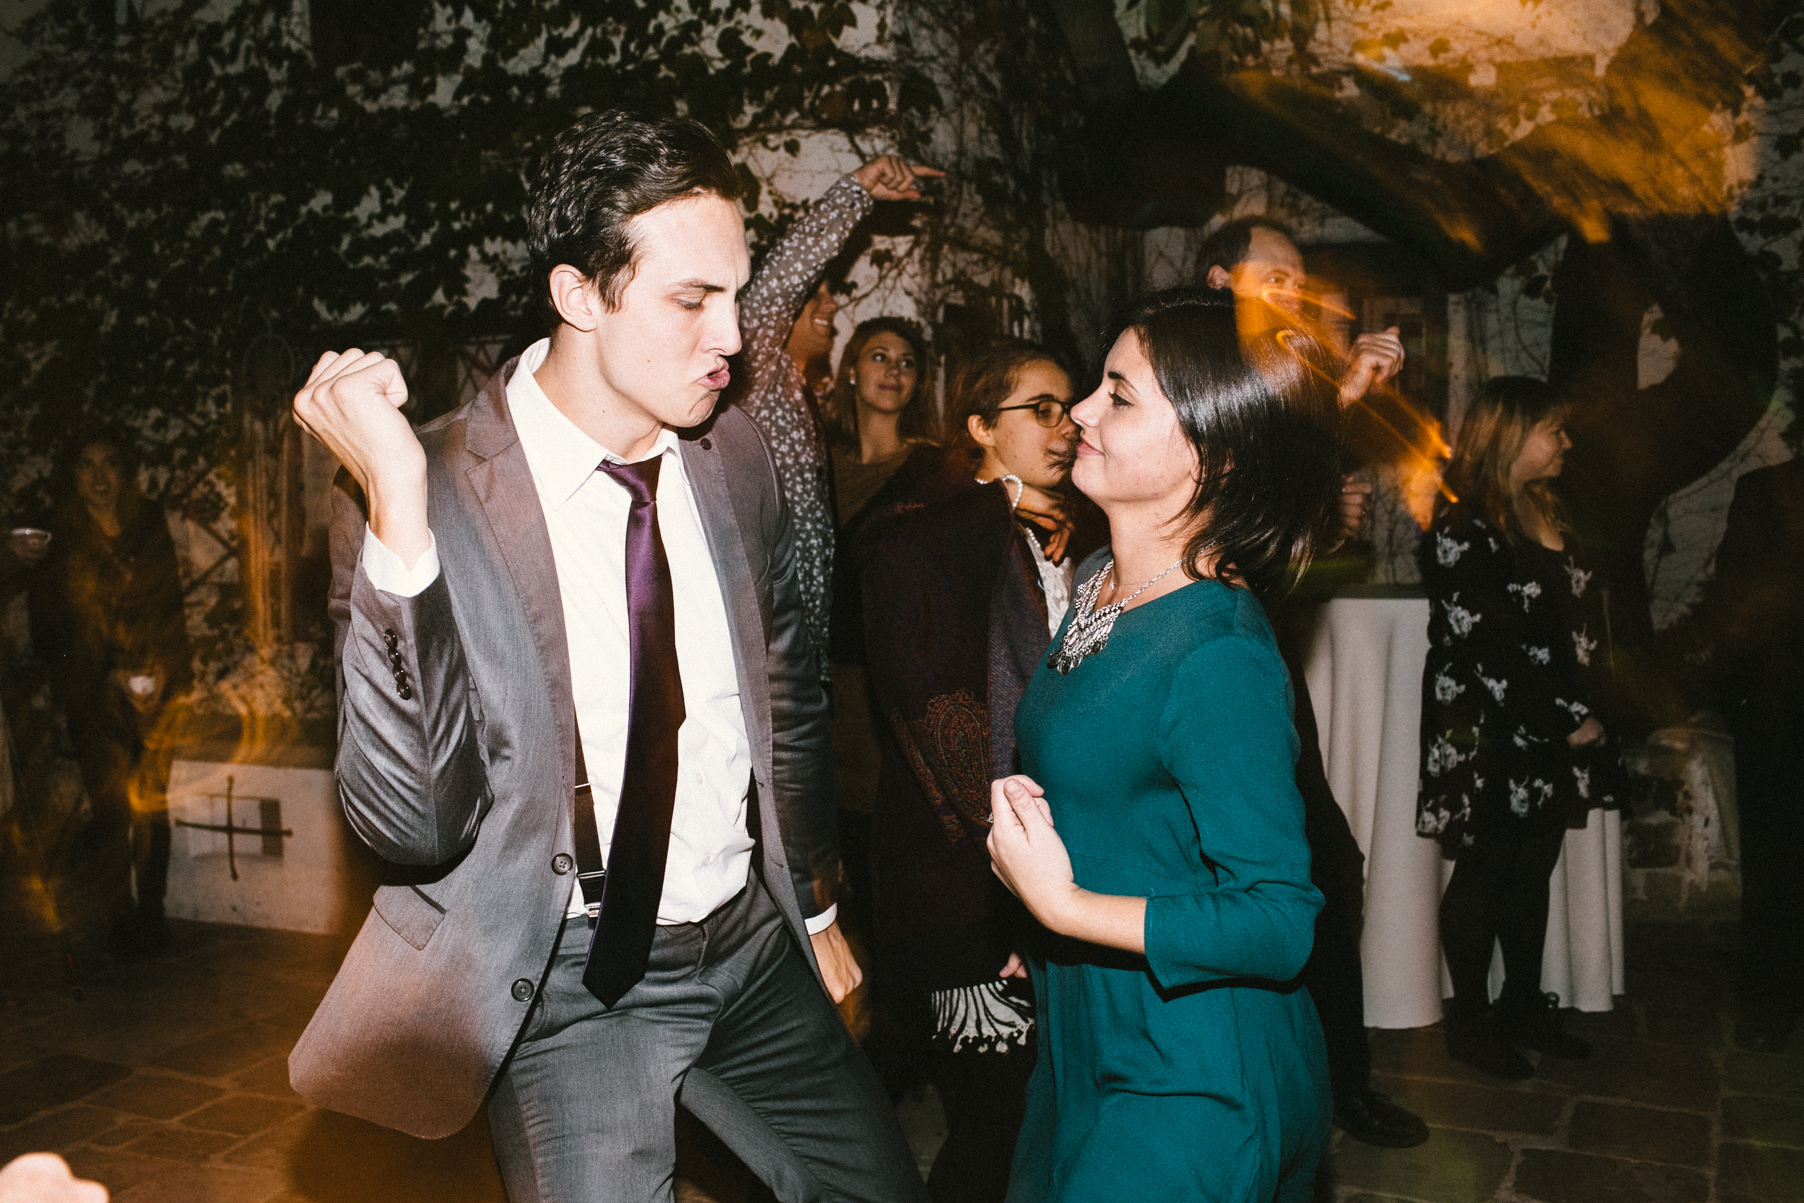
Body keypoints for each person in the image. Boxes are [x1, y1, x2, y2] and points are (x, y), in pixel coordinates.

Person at [286, 111, 926, 1203]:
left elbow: (787, 698)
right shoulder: (427, 493)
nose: (733, 337)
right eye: (692, 299)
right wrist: (396, 505)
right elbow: (412, 825)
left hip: (749, 941)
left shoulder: (734, 454)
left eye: (736, 294)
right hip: (575, 981)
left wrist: (815, 908)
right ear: (579, 295)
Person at [988, 289, 1339, 1202]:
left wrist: (1066, 905)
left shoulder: (1216, 651)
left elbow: (1280, 918)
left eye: (1119, 394)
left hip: (1189, 1075)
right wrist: (1040, 911)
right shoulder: (1103, 579)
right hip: (1087, 1030)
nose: (1081, 411)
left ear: (1213, 456)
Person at [1199, 214, 1428, 1147]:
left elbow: (1278, 543)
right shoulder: (1199, 375)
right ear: (1221, 282)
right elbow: (1239, 504)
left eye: (1300, 281)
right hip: (1203, 652)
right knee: (1283, 870)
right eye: (1278, 279)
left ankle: (1336, 1081)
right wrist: (1348, 395)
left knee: (1322, 866)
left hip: (1258, 646)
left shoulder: (1281, 382)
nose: (1294, 296)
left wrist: (1325, 516)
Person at [856, 340, 1085, 1201]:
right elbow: (884, 563)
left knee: (1033, 1113)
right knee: (995, 1119)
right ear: (982, 426)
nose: (1065, 426)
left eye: (1069, 409)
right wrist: (1004, 502)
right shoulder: (929, 528)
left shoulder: (1076, 532)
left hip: (1052, 871)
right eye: (1040, 409)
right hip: (955, 884)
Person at [1416, 375, 1627, 1080]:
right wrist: (1563, 719)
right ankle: (1469, 1023)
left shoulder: (1547, 505)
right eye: (1553, 430)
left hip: (1551, 721)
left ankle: (1522, 1006)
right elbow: (1487, 644)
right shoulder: (1460, 524)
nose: (1566, 442)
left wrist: (1590, 704)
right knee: (1486, 869)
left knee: (1532, 866)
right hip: (1489, 727)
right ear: (1510, 435)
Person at [732, 154, 943, 671]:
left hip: (817, 655)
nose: (830, 305)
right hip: (773, 650)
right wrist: (855, 191)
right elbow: (777, 285)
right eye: (815, 295)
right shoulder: (757, 379)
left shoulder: (802, 400)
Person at [30, 436, 190, 958]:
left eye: (110, 464)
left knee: (153, 804)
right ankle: (119, 916)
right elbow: (50, 625)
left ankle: (152, 913)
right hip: (94, 691)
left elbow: (169, 599)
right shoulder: (59, 536)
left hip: (155, 686)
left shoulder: (147, 522)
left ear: (126, 471)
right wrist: (109, 674)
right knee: (112, 807)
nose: (99, 476)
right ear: (72, 474)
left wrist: (164, 667)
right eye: (87, 464)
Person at [1693, 451, 1804, 1052]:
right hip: (1779, 709)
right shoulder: (1765, 491)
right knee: (1774, 861)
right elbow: (1740, 600)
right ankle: (1769, 1001)